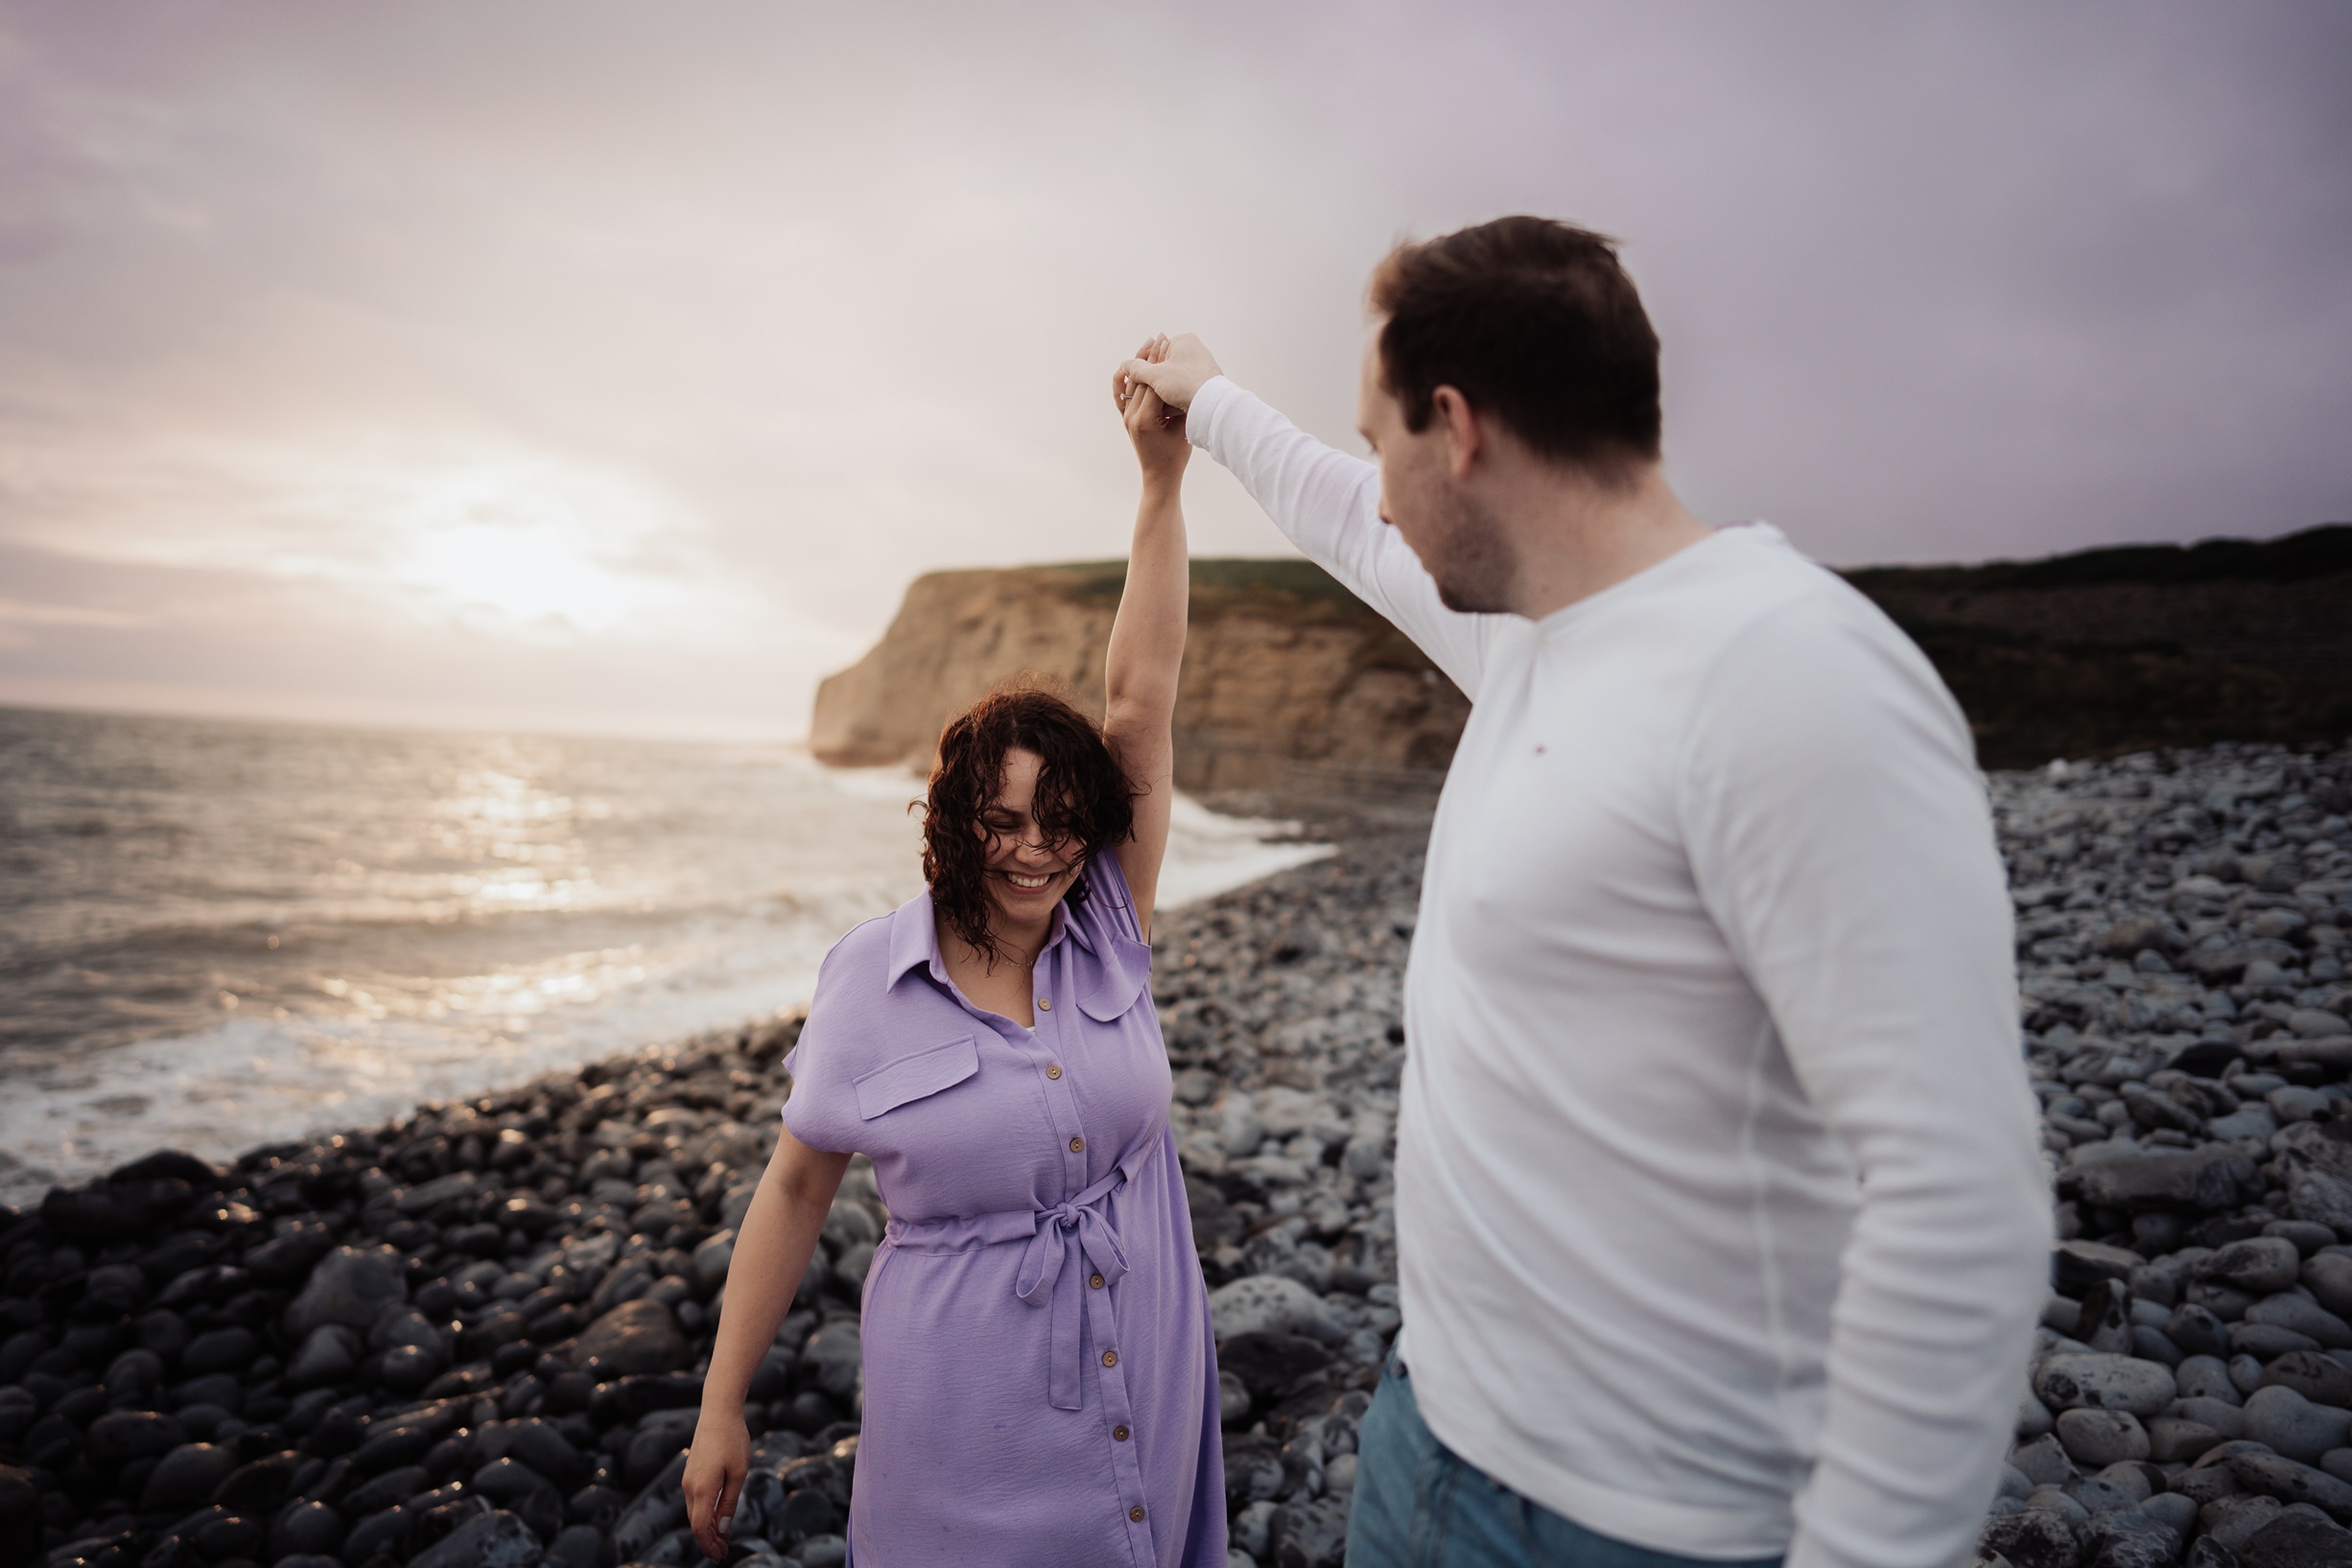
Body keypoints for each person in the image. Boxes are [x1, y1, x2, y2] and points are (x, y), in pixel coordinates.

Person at [1117, 219, 2051, 1568]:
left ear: (1458, 429)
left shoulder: (1788, 675)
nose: (1375, 488)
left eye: (1383, 442)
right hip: (1425, 1439)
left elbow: (1960, 1191)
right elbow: (1329, 505)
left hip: (1642, 1524)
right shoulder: (1530, 630)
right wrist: (1208, 398)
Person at [681, 340, 1227, 1567]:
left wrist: (1160, 484)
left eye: (1060, 820)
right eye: (1002, 820)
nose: (1035, 851)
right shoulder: (871, 983)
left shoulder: (1105, 929)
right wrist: (721, 1405)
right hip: (967, 1432)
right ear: (952, 821)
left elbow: (1141, 697)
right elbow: (794, 1191)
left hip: (1143, 1356)